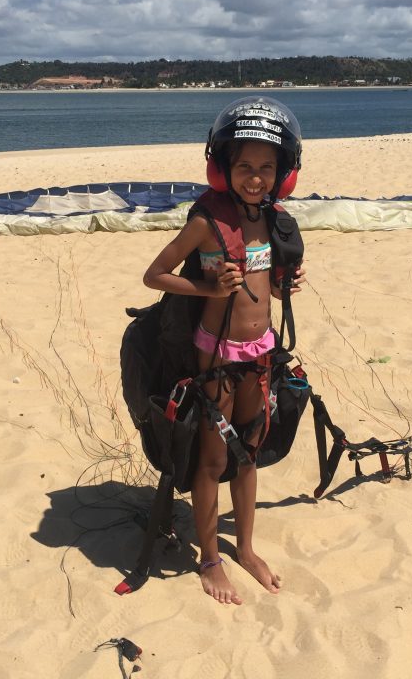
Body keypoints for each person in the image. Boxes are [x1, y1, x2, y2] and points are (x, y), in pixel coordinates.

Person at [142, 97, 305, 605]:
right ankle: (211, 558)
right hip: (216, 358)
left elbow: (266, 287)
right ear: (222, 168)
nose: (254, 178)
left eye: (265, 168)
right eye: (243, 167)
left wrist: (285, 285)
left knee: (249, 453)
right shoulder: (206, 223)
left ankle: (248, 548)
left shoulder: (275, 221)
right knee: (213, 461)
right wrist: (208, 289)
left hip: (261, 353)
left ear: (282, 174)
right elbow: (155, 275)